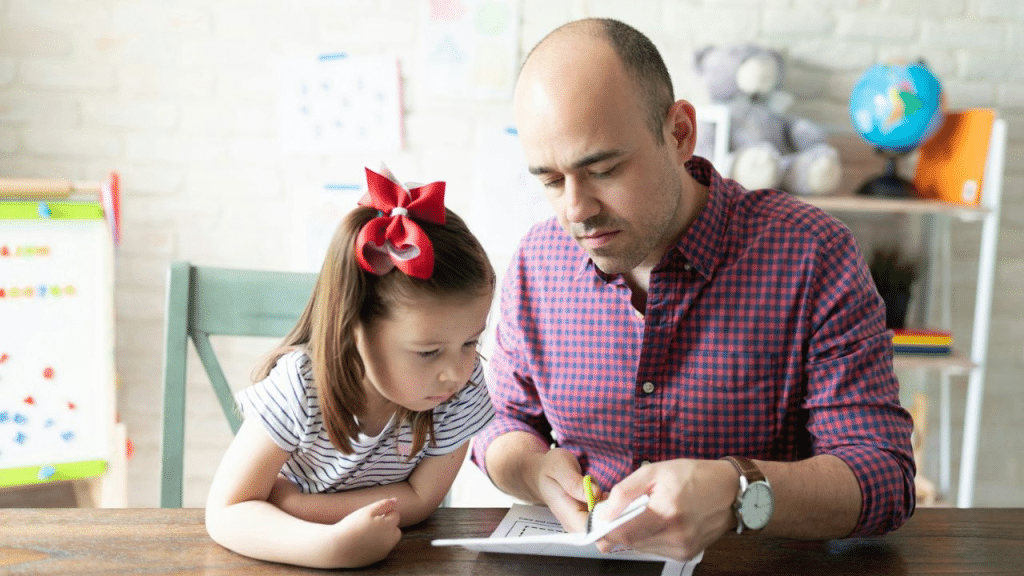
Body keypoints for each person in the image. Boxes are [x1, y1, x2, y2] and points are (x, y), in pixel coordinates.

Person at [472, 18, 916, 562]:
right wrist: (533, 469)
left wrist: (739, 491)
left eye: (605, 169)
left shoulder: (812, 256)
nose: (575, 210)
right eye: (549, 181)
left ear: (680, 133)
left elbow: (883, 474)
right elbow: (501, 422)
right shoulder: (536, 264)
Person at [206, 165, 495, 569]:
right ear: (355, 328)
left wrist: (297, 504)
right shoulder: (300, 387)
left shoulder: (460, 392)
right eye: (428, 352)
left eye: (470, 342)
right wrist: (329, 548)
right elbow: (227, 510)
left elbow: (421, 499)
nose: (455, 372)